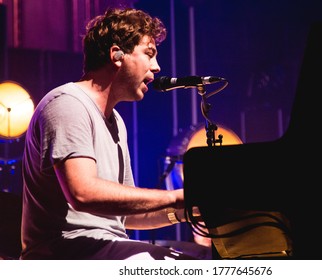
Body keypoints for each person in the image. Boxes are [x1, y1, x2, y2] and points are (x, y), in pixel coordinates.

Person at [20, 7, 201, 260]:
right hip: (65, 256)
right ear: (117, 55)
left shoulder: (115, 120)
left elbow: (128, 215)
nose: (157, 67)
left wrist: (186, 210)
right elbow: (84, 193)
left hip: (101, 251)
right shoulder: (67, 103)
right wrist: (175, 197)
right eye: (149, 54)